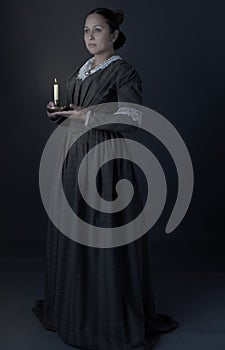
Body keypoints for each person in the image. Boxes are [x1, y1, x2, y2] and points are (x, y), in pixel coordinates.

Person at [32, 7, 179, 350]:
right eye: (86, 30)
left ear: (113, 35)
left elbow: (133, 115)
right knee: (73, 229)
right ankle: (73, 309)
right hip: (72, 156)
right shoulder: (81, 73)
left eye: (97, 30)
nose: (90, 36)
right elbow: (75, 110)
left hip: (103, 159)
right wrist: (59, 112)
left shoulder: (123, 71)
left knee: (100, 230)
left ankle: (105, 315)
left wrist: (88, 114)